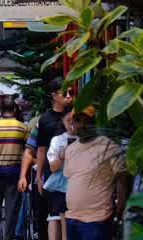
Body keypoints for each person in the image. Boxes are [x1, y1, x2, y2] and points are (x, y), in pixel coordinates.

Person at [60, 108, 128, 240]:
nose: (83, 125)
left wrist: (119, 213)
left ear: (94, 123)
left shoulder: (109, 146)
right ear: (72, 123)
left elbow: (122, 181)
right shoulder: (71, 149)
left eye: (88, 121)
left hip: (97, 220)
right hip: (72, 218)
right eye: (78, 120)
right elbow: (71, 180)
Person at [19, 77, 74, 240]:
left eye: (72, 92)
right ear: (54, 96)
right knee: (53, 216)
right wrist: (38, 177)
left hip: (75, 177)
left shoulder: (78, 115)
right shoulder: (45, 120)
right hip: (53, 177)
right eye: (66, 93)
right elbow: (39, 150)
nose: (69, 96)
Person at [0, 97, 28, 240]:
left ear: (1, 111)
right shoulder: (22, 127)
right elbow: (27, 151)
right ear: (14, 110)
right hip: (15, 172)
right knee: (11, 210)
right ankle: (8, 237)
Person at [41, 113, 75, 240]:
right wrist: (62, 155)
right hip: (62, 186)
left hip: (80, 184)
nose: (72, 124)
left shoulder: (86, 140)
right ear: (62, 120)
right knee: (60, 217)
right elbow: (53, 167)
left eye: (75, 120)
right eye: (68, 120)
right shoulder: (58, 140)